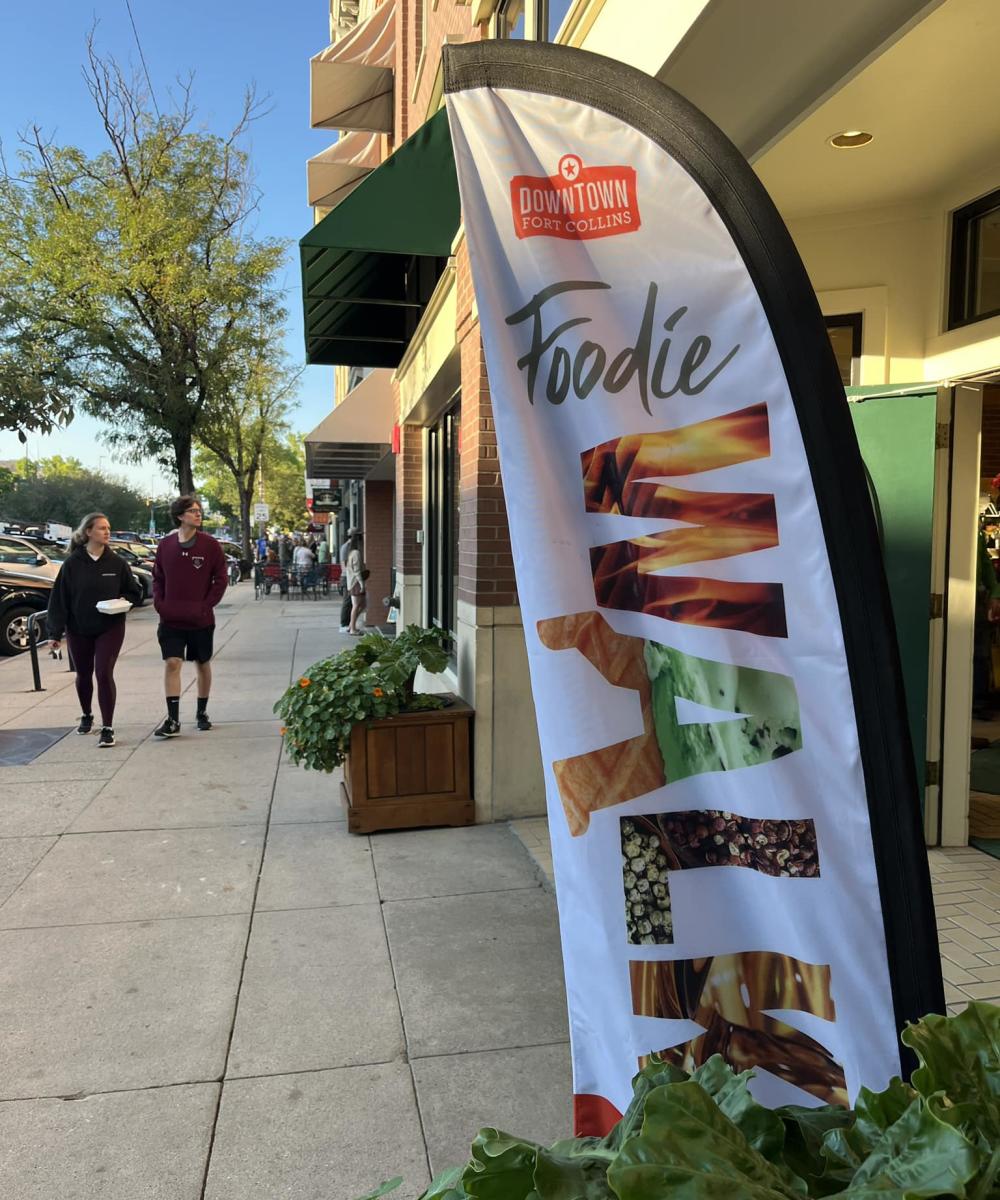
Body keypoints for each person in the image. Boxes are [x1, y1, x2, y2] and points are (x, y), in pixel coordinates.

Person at [46, 512, 143, 748]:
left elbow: (134, 592)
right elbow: (59, 599)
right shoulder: (72, 563)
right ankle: (87, 714)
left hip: (110, 626)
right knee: (84, 673)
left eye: (108, 528)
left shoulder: (117, 562)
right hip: (78, 627)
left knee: (103, 673)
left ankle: (107, 727)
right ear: (88, 532)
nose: (107, 532)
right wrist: (54, 633)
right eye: (101, 528)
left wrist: (123, 600)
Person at [152, 496, 227, 738]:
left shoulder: (210, 545)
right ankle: (172, 720)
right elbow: (158, 578)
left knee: (202, 663)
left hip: (200, 619)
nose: (198, 514)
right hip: (171, 618)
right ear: (180, 516)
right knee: (172, 663)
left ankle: (201, 712)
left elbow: (221, 578)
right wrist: (160, 604)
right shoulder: (165, 546)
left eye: (199, 510)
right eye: (193, 511)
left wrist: (206, 605)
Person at [344, 532, 367, 635]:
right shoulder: (356, 553)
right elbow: (357, 570)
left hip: (352, 582)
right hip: (356, 582)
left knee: (360, 605)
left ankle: (351, 626)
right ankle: (352, 628)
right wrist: (362, 584)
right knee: (357, 605)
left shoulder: (350, 553)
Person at [339, 526, 358, 633]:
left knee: (351, 602)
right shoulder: (347, 547)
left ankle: (348, 623)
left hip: (349, 576)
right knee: (347, 601)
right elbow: (344, 564)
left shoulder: (350, 547)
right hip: (347, 577)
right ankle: (344, 623)